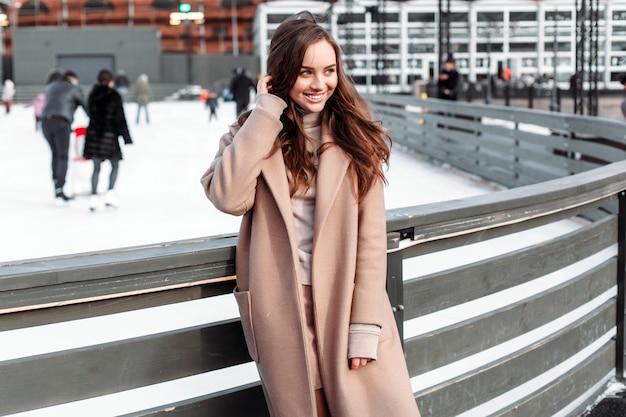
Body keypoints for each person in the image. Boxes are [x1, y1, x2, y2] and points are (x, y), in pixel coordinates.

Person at [201, 11, 420, 417]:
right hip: (281, 308)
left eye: (329, 70)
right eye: (305, 72)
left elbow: (371, 244)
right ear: (281, 74)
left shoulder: (357, 138)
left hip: (345, 306)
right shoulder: (251, 132)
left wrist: (364, 327)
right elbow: (228, 197)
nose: (320, 84)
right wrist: (266, 112)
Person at [83, 69, 133, 212]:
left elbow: (90, 113)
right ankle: (110, 193)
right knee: (115, 165)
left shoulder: (93, 94)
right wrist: (126, 137)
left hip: (94, 135)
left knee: (96, 167)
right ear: (111, 80)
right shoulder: (114, 95)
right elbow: (120, 118)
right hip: (110, 136)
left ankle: (93, 197)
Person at [41, 70, 89, 205]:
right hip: (61, 122)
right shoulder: (73, 88)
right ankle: (60, 188)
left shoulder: (50, 87)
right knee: (62, 156)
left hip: (45, 122)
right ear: (72, 78)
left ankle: (56, 184)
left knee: (55, 154)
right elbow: (86, 106)